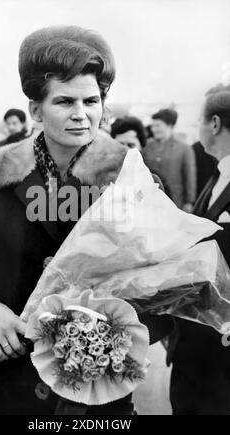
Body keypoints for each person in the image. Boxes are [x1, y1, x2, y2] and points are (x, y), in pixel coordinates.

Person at [0, 25, 172, 415]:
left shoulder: (135, 182)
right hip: (6, 388)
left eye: (92, 101)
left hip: (94, 393)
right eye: (65, 102)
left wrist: (113, 334)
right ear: (35, 109)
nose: (82, 115)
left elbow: (170, 288)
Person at [167, 84, 230, 415]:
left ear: (215, 124)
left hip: (221, 341)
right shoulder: (219, 173)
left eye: (200, 121)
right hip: (198, 335)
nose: (200, 128)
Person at [142, 108, 197, 211]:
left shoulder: (184, 148)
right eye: (153, 126)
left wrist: (189, 202)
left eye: (158, 126)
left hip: (176, 202)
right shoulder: (147, 147)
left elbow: (190, 177)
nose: (154, 129)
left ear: (170, 126)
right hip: (151, 202)